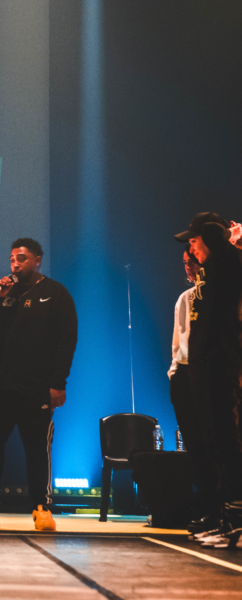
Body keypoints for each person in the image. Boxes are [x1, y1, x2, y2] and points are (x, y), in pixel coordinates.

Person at [0, 238, 77, 532]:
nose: (15, 263)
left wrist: (58, 383)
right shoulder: (2, 290)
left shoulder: (55, 293)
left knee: (37, 449)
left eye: (21, 258)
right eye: (12, 258)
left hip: (35, 387)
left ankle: (41, 509)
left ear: (37, 260)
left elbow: (67, 340)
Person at [174, 213, 242, 548]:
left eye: (194, 240)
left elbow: (216, 236)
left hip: (221, 366)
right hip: (202, 369)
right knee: (214, 447)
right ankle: (224, 520)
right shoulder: (209, 272)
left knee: (227, 445)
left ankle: (236, 523)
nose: (191, 248)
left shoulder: (228, 263)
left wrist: (228, 237)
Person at [168, 247, 221, 533]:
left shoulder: (218, 294)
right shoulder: (185, 298)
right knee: (195, 445)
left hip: (211, 372)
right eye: (184, 262)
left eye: (192, 260)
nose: (188, 266)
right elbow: (178, 341)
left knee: (216, 443)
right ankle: (208, 508)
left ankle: (221, 509)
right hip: (185, 372)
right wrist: (175, 373)